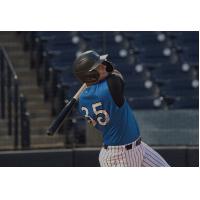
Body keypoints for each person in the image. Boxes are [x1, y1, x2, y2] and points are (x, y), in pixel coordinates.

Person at [73, 50, 170, 167]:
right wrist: (105, 71)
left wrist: (96, 73)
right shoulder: (110, 87)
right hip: (120, 156)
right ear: (90, 75)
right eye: (99, 67)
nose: (104, 66)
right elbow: (114, 72)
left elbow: (105, 74)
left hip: (136, 148)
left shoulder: (82, 100)